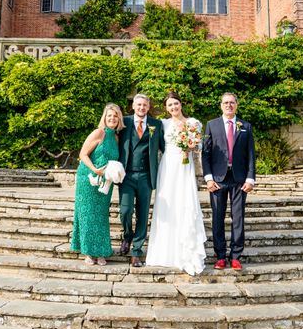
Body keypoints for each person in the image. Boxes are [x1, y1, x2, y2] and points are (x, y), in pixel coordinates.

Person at [145, 92, 207, 275]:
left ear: (181, 104)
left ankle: (186, 253)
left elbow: (199, 146)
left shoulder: (193, 123)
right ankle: (164, 253)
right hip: (167, 167)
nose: (173, 107)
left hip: (184, 166)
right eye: (170, 105)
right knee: (168, 206)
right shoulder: (162, 124)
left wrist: (191, 146)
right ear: (166, 108)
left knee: (185, 203)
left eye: (176, 104)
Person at [201, 92, 256, 270]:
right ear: (221, 105)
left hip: (239, 179)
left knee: (238, 218)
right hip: (217, 179)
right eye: (225, 102)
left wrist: (250, 179)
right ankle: (220, 256)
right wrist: (208, 178)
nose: (229, 105)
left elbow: (251, 155)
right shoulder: (211, 125)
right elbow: (206, 154)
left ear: (236, 105)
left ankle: (235, 256)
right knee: (217, 217)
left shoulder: (245, 126)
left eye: (232, 102)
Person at [70, 103, 124, 265]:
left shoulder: (116, 137)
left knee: (100, 216)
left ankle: (100, 252)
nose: (112, 118)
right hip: (87, 178)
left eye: (115, 116)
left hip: (105, 181)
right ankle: (88, 252)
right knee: (87, 214)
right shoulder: (98, 133)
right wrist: (95, 169)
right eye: (109, 116)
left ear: (119, 119)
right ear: (105, 118)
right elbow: (83, 154)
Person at [118, 94, 165, 267]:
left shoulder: (156, 124)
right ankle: (127, 235)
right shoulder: (124, 122)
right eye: (138, 105)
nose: (141, 108)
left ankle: (136, 251)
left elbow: (164, 148)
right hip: (126, 175)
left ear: (148, 106)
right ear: (133, 106)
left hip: (146, 176)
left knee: (143, 215)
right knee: (125, 210)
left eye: (144, 105)